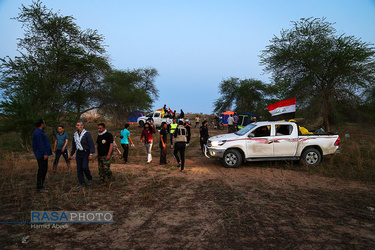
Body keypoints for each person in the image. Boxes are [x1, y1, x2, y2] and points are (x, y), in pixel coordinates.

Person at [69, 121, 95, 190]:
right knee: (79, 169)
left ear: (82, 126)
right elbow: (74, 145)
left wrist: (91, 153)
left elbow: (91, 144)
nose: (77, 126)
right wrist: (71, 154)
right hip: (78, 153)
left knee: (85, 167)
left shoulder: (86, 134)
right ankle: (82, 183)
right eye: (76, 125)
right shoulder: (75, 134)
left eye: (78, 125)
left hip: (86, 152)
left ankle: (89, 178)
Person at [32, 119, 52, 192]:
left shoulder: (39, 132)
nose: (44, 124)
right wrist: (44, 153)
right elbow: (40, 144)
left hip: (42, 154)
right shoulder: (38, 133)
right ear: (41, 124)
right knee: (42, 170)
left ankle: (41, 186)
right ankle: (39, 187)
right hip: (41, 154)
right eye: (44, 123)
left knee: (44, 169)